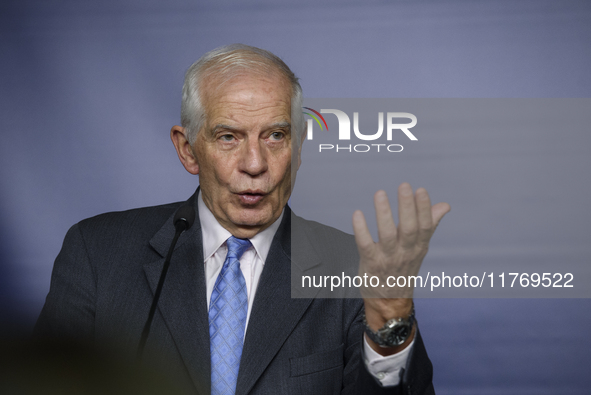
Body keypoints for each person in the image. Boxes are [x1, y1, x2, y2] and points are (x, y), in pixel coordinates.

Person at [35, 44, 449, 394]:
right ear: (187, 150)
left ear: (299, 148)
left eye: (275, 136)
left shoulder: (352, 268)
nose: (255, 164)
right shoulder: (97, 252)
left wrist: (389, 331)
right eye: (228, 137)